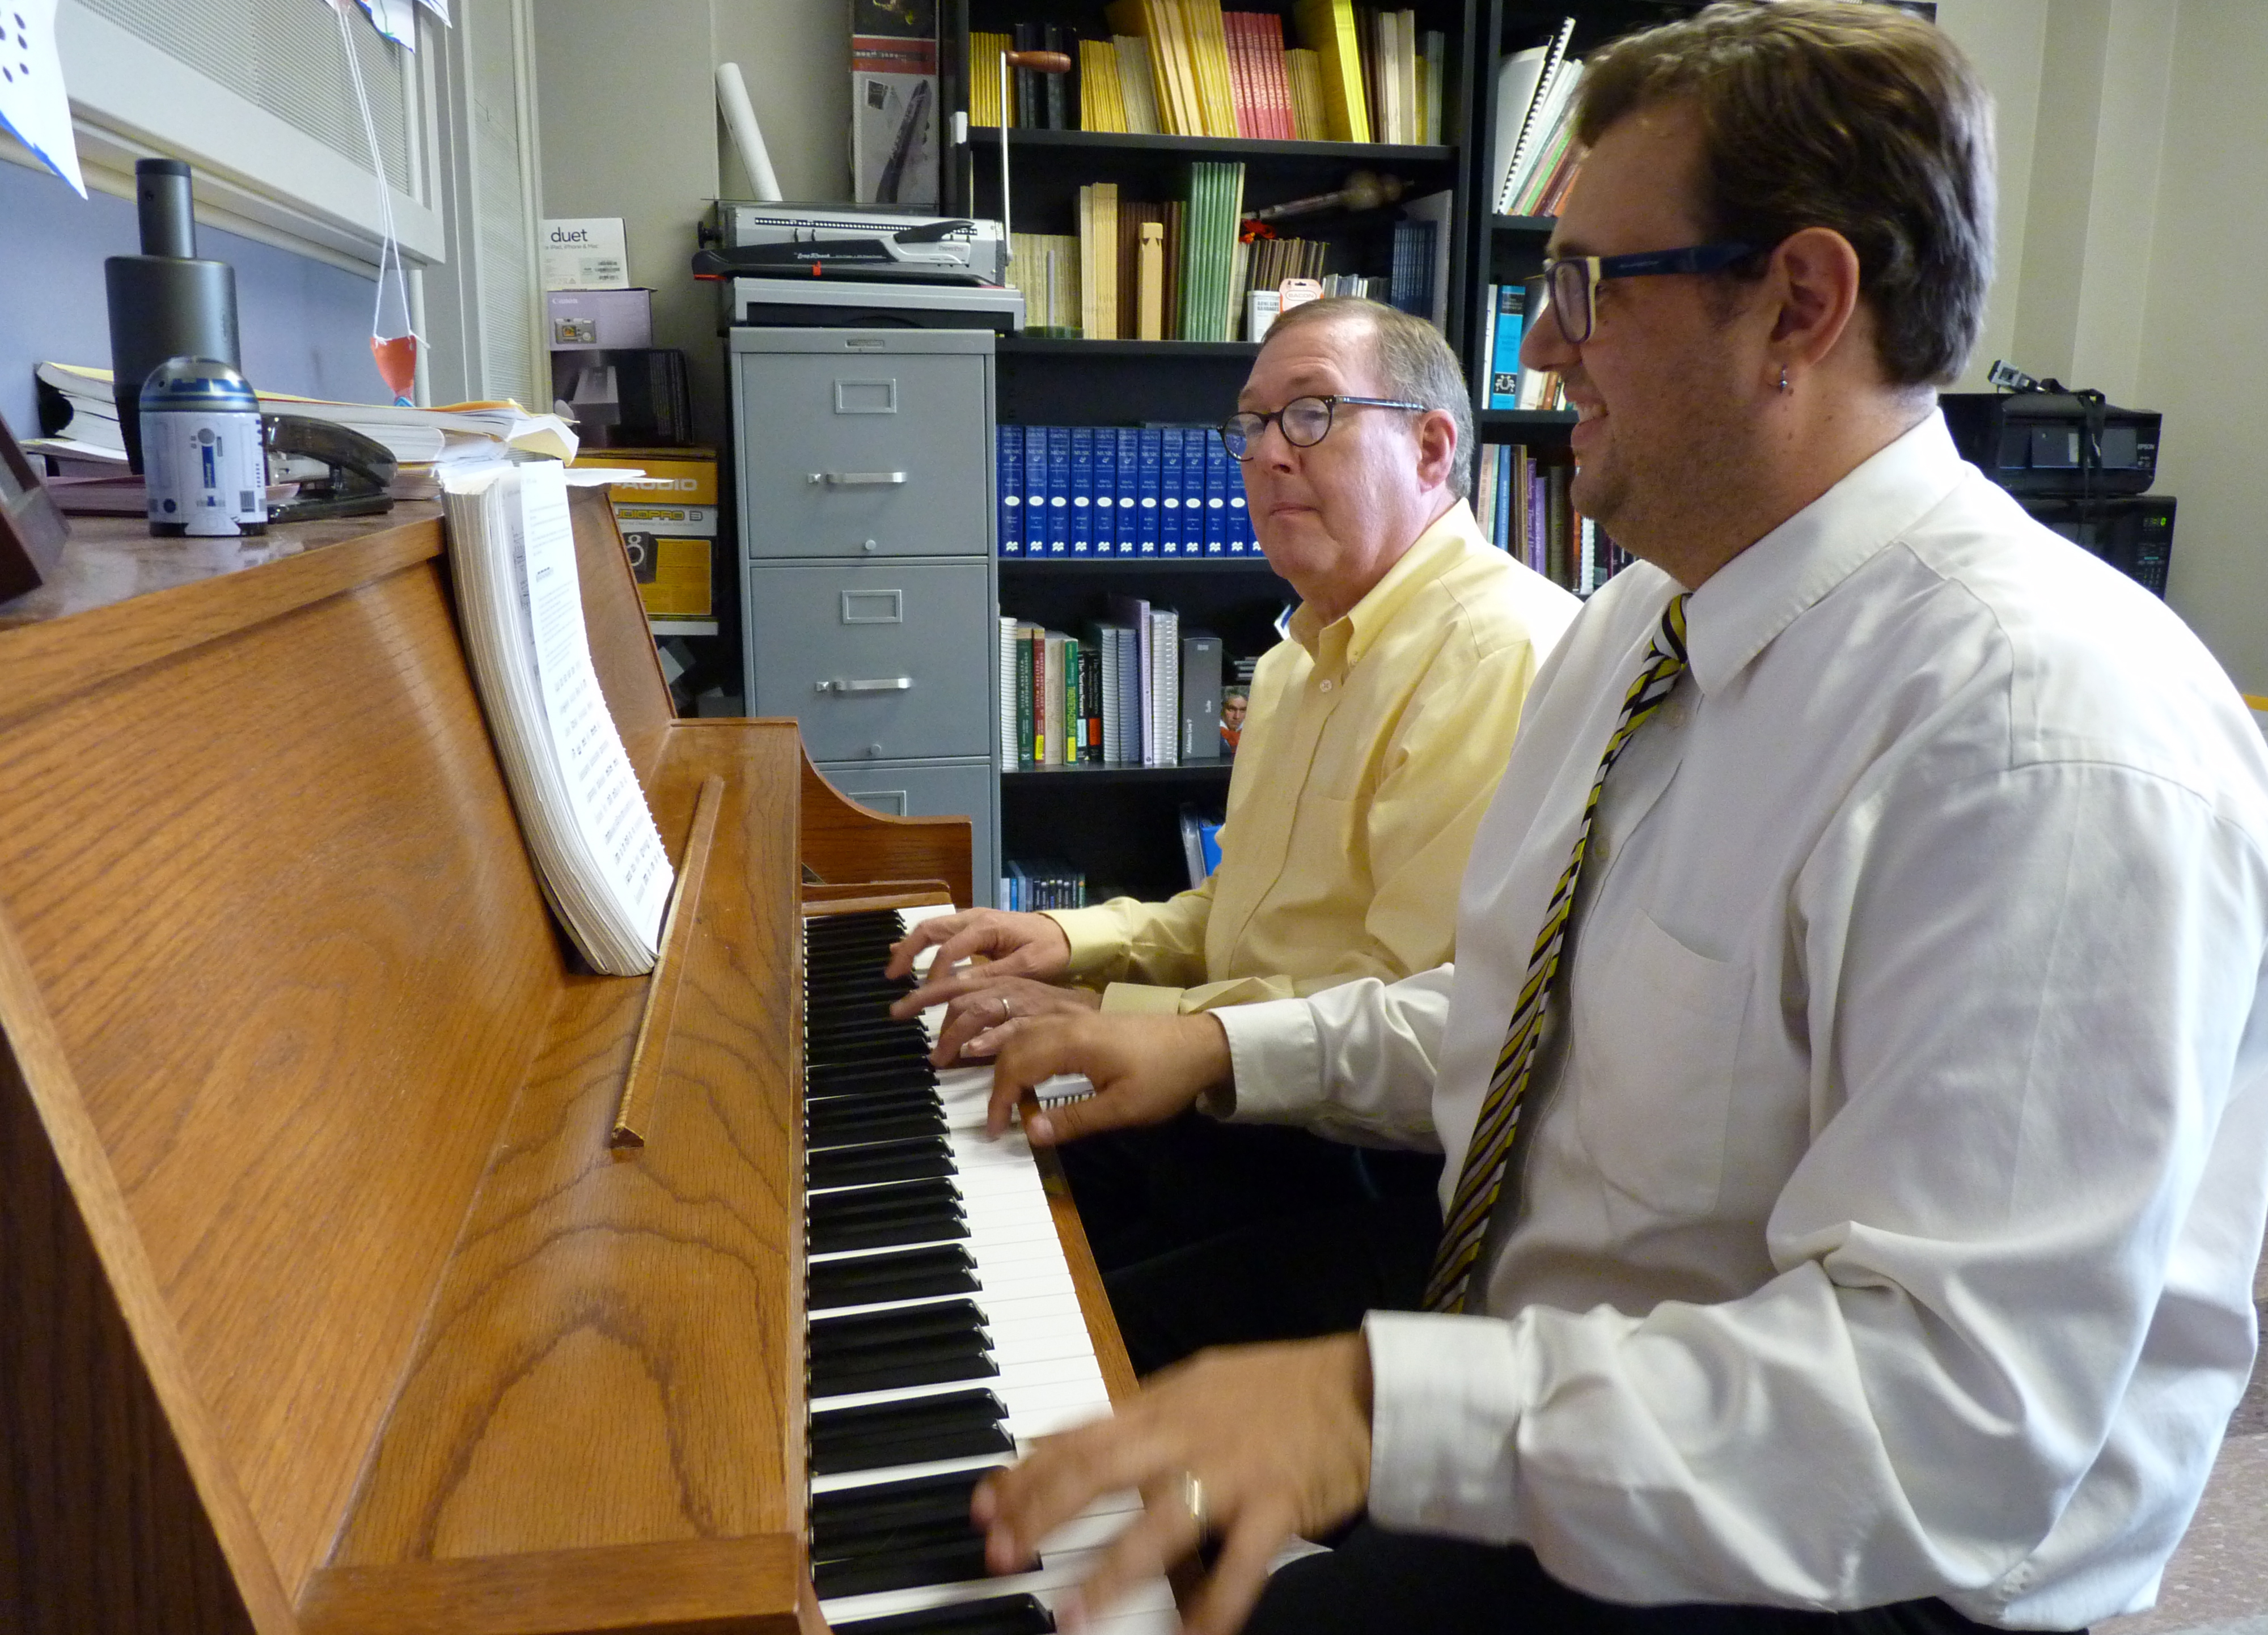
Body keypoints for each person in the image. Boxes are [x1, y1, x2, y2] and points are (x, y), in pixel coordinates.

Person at [967, 6, 2268, 1634]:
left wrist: (1378, 1408)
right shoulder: (1638, 626)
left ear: (1800, 301)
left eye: (1587, 286)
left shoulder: (2043, 734)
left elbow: (1949, 1417)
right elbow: (1526, 1025)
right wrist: (1227, 1051)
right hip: (1566, 1393)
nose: (1540, 348)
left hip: (1866, 1560)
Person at [886, 299, 1579, 1367]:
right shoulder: (1305, 648)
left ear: (1432, 446)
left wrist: (1107, 1009)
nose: (1264, 457)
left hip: (1372, 1175)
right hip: (1254, 1110)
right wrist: (1073, 944)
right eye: (1251, 425)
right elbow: (1245, 908)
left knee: (1018, 1347)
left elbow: (1413, 1014)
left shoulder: (1496, 653)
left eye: (1309, 416)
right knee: (950, 1194)